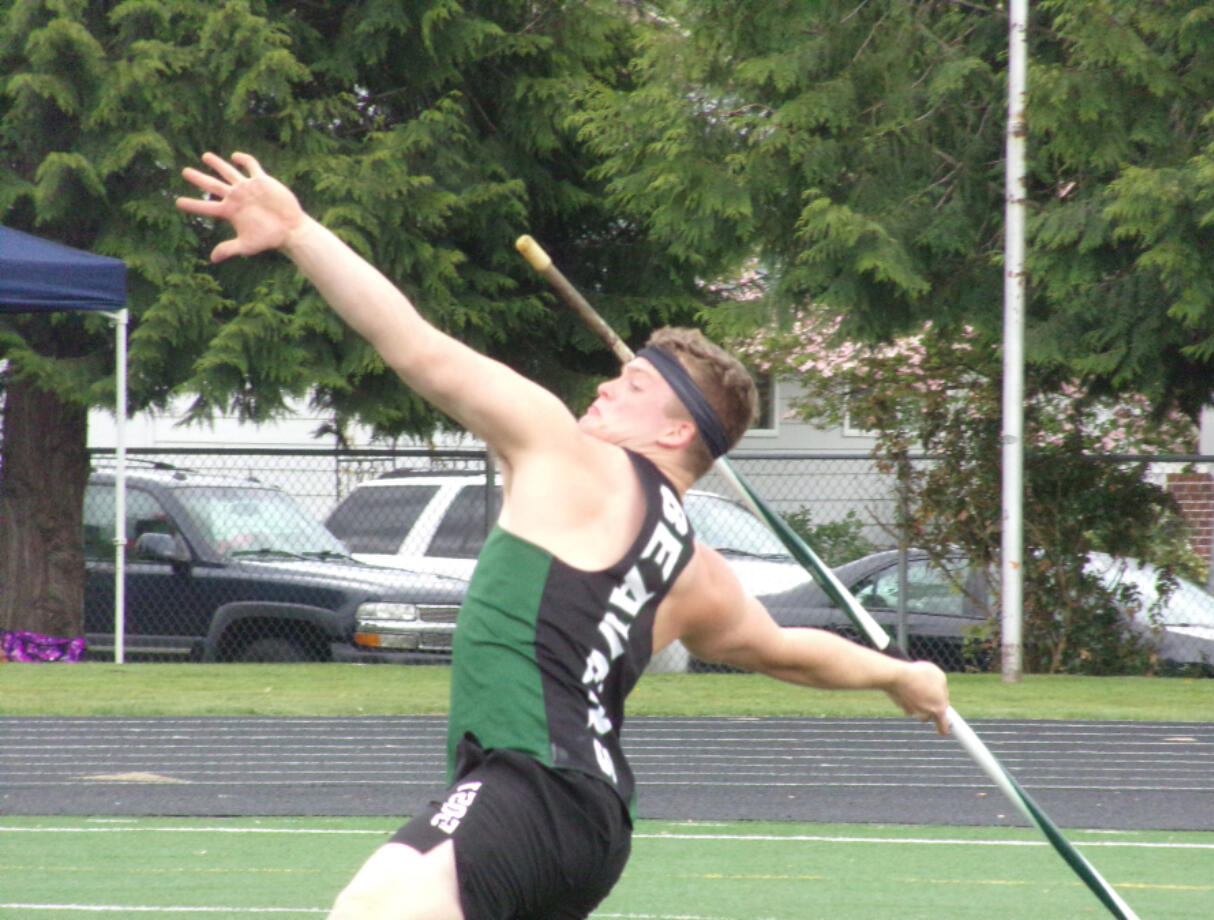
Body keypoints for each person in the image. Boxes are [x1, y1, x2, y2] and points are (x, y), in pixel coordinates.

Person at [177, 151, 950, 920]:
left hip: (530, 787)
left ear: (679, 429)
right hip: (591, 825)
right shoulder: (695, 571)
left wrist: (300, 231)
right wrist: (901, 677)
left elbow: (413, 344)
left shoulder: (571, 456)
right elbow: (790, 653)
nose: (608, 386)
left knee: (372, 910)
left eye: (636, 385)